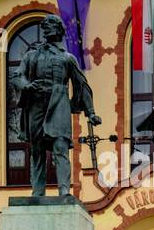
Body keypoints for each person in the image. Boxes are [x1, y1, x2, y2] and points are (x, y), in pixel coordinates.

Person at [13, 14, 101, 197]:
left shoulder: (67, 58)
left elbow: (81, 84)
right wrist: (26, 87)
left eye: (51, 25)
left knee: (60, 145)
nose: (46, 28)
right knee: (36, 149)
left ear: (59, 30)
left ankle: (64, 190)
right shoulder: (31, 55)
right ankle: (37, 191)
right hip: (36, 103)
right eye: (44, 25)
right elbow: (17, 76)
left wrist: (90, 112)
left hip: (59, 102)